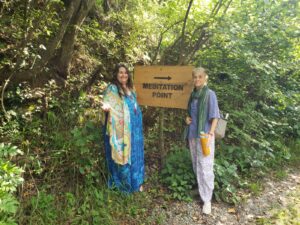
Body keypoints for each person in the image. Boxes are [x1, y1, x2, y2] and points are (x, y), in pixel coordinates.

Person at [101, 63, 144, 193]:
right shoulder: (112, 89)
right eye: (120, 72)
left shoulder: (130, 88)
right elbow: (107, 102)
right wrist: (106, 108)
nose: (123, 75)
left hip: (134, 130)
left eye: (125, 72)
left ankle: (136, 182)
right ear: (116, 74)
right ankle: (125, 185)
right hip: (121, 132)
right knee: (124, 156)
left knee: (135, 154)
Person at [185, 67, 220, 214]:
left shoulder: (210, 94)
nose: (197, 79)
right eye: (195, 77)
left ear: (205, 77)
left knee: (206, 167)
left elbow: (215, 116)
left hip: (205, 136)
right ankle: (202, 193)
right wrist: (187, 119)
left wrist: (210, 134)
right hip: (193, 135)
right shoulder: (193, 95)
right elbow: (189, 115)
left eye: (200, 77)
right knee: (196, 164)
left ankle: (207, 200)